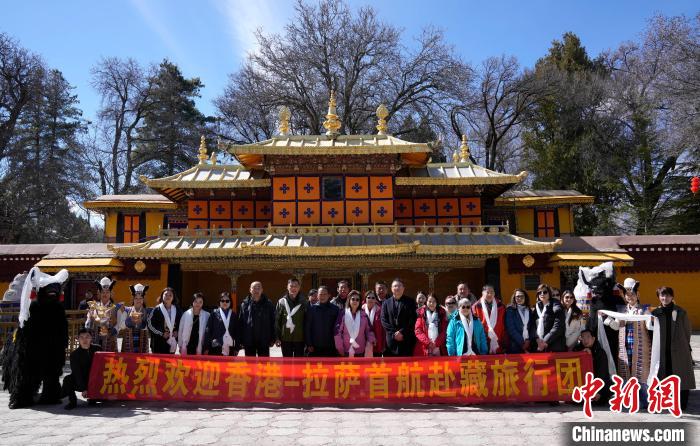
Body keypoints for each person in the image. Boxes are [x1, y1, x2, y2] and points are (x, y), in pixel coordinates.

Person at [1, 267, 69, 409]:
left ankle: (50, 395)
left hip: (53, 349)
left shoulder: (59, 310)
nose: (53, 292)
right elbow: (26, 329)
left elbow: (63, 330)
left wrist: (61, 345)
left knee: (52, 374)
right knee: (27, 373)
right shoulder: (33, 308)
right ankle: (23, 397)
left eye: (56, 289)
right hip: (33, 349)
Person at [651, 286, 695, 411]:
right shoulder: (655, 313)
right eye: (662, 295)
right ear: (659, 297)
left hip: (679, 349)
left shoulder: (680, 312)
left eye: (668, 295)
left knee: (681, 375)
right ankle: (666, 400)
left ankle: (681, 403)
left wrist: (684, 346)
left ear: (672, 296)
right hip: (662, 350)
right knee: (664, 374)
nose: (665, 298)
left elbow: (687, 331)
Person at [62, 328, 101, 410]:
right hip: (81, 380)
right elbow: (77, 373)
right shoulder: (74, 354)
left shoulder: (98, 349)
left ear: (91, 338)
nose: (84, 340)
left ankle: (93, 397)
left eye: (87, 337)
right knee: (67, 379)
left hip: (95, 380)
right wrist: (84, 389)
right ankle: (72, 402)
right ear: (78, 339)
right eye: (82, 337)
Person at [380, 278, 417, 356]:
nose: (397, 288)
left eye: (399, 286)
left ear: (403, 288)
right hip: (391, 340)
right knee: (391, 363)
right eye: (395, 286)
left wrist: (402, 332)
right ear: (391, 288)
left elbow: (413, 319)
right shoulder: (386, 303)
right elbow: (383, 320)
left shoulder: (410, 302)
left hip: (406, 339)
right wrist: (394, 333)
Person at [238, 281, 275, 357]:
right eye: (254, 288)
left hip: (264, 339)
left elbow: (273, 321)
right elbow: (241, 323)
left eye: (259, 288)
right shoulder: (244, 304)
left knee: (264, 362)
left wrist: (273, 338)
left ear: (262, 290)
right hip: (249, 340)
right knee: (250, 362)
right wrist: (240, 339)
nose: (256, 290)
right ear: (250, 290)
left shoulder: (268, 304)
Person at [575, 329, 612, 404]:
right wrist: (582, 354)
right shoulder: (578, 349)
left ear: (593, 338)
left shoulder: (600, 352)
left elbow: (602, 374)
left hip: (599, 385)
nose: (585, 340)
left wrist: (598, 391)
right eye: (583, 337)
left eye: (588, 337)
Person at [335, 290, 375, 356]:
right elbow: (337, 332)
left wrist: (371, 341)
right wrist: (340, 348)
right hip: (345, 351)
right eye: (353, 299)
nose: (355, 301)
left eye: (357, 299)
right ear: (349, 300)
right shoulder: (342, 314)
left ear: (360, 302)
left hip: (361, 350)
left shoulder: (364, 315)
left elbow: (369, 331)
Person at [275, 278, 307, 357]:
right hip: (285, 338)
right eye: (291, 286)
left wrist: (308, 339)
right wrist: (277, 337)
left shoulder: (304, 302)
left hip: (300, 338)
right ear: (287, 287)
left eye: (296, 286)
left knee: (299, 362)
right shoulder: (281, 302)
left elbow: (308, 322)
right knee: (287, 361)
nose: (293, 288)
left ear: (299, 287)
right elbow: (277, 321)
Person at [86, 277, 119, 352]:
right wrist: (90, 320)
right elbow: (88, 322)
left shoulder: (115, 307)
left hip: (110, 338)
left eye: (107, 292)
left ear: (110, 294)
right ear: (99, 293)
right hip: (95, 338)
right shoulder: (93, 306)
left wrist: (112, 330)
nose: (105, 294)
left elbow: (118, 324)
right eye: (103, 292)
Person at [305, 286, 341, 357]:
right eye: (320, 294)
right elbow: (307, 328)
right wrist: (309, 344)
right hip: (315, 346)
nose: (322, 296)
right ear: (317, 295)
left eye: (325, 294)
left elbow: (338, 328)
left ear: (329, 295)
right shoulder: (311, 309)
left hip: (331, 345)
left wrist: (338, 344)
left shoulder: (335, 309)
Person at [472, 285, 507, 354]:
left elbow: (504, 324)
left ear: (494, 293)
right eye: (487, 292)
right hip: (482, 339)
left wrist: (505, 342)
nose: (490, 294)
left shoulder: (501, 306)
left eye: (492, 292)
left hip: (498, 339)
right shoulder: (476, 306)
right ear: (482, 293)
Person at [147, 287, 182, 354]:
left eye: (170, 295)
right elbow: (150, 325)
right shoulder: (156, 309)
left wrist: (177, 331)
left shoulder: (177, 310)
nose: (168, 297)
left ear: (173, 297)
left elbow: (181, 323)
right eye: (166, 294)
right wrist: (161, 333)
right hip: (158, 342)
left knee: (170, 360)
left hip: (172, 341)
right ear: (162, 296)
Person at [532, 284, 566, 352]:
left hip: (554, 346)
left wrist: (544, 341)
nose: (542, 294)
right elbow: (533, 325)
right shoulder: (537, 307)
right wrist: (537, 339)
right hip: (539, 344)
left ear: (549, 293)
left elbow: (558, 327)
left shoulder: (556, 305)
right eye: (539, 292)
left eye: (545, 292)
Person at [205, 292, 238, 356]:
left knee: (229, 362)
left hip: (230, 347)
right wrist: (206, 347)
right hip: (216, 346)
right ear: (219, 302)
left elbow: (237, 332)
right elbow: (208, 330)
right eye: (222, 301)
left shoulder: (234, 315)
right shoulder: (214, 313)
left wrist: (237, 347)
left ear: (230, 302)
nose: (225, 303)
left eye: (227, 301)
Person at [120, 283, 150, 353]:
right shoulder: (126, 310)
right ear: (133, 299)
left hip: (142, 344)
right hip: (128, 344)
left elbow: (149, 327)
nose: (138, 300)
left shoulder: (147, 311)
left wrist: (141, 323)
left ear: (143, 299)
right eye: (136, 298)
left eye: (140, 298)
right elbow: (121, 326)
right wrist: (129, 320)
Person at [505, 288, 535, 353]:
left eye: (522, 296)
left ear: (525, 297)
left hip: (529, 344)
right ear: (514, 298)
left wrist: (528, 340)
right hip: (515, 345)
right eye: (517, 296)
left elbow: (532, 326)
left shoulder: (529, 310)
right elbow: (511, 329)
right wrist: (522, 342)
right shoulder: (510, 310)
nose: (519, 298)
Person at [363, 291, 385, 356]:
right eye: (368, 297)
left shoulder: (381, 311)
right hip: (363, 343)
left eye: (373, 298)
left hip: (377, 343)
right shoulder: (360, 311)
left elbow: (384, 330)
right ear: (365, 299)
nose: (371, 299)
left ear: (375, 299)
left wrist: (383, 345)